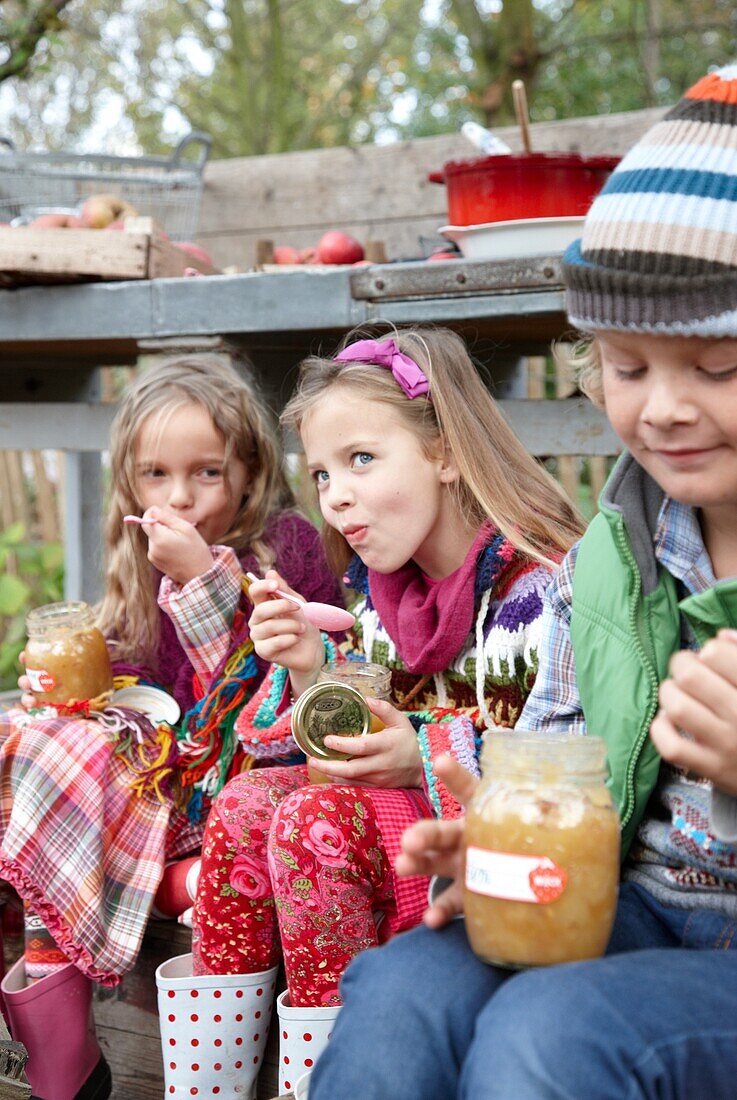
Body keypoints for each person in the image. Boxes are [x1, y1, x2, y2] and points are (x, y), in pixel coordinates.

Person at [308, 61, 737, 1100]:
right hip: (627, 901)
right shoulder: (615, 552)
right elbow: (554, 757)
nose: (663, 409)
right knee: (405, 987)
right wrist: (498, 828)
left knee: (551, 1032)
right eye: (625, 368)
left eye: (714, 366)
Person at [156, 323, 583, 1098]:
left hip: (481, 854)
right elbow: (344, 735)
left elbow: (555, 758)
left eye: (360, 459)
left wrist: (417, 753)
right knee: (250, 802)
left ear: (445, 451)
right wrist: (310, 668)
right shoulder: (382, 601)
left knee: (313, 821)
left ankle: (327, 1078)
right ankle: (204, 1090)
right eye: (320, 474)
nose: (337, 494)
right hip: (397, 827)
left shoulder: (541, 589)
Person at [0, 353, 341, 1100]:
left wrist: (201, 581)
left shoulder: (286, 552)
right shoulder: (134, 564)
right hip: (165, 782)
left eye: (207, 473)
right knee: (29, 740)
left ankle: (155, 897)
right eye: (156, 475)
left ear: (250, 473)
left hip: (242, 785)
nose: (180, 497)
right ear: (128, 479)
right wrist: (69, 689)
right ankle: (50, 1022)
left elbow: (254, 705)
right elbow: (135, 694)